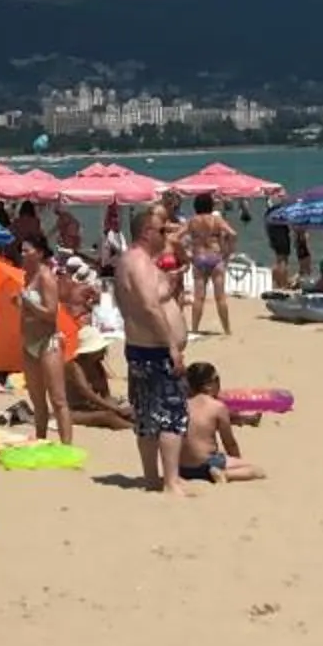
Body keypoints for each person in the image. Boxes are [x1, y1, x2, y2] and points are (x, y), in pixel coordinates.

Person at [114, 207, 189, 494]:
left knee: (146, 415)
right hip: (156, 350)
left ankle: (152, 478)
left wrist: (168, 285)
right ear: (146, 232)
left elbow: (139, 301)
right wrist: (172, 346)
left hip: (140, 347)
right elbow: (148, 305)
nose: (165, 234)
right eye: (161, 230)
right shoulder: (140, 262)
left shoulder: (131, 261)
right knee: (171, 415)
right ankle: (170, 481)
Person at [11, 228, 70, 445]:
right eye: (22, 251)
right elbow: (31, 309)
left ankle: (66, 445)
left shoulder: (46, 277)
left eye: (27, 250)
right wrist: (20, 305)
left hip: (48, 341)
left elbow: (51, 314)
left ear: (39, 253)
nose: (23, 254)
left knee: (58, 398)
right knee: (37, 400)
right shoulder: (27, 276)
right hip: (29, 342)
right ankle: (41, 440)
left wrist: (27, 303)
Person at [180, 361, 261, 482]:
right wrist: (237, 461)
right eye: (216, 379)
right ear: (208, 385)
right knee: (256, 470)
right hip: (206, 464)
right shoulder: (217, 407)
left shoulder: (181, 405)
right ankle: (226, 475)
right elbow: (230, 443)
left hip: (182, 469)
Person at [182, 193, 236, 337]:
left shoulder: (192, 221)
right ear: (211, 206)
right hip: (215, 257)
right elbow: (233, 234)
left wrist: (186, 254)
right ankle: (227, 330)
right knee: (220, 297)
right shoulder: (216, 220)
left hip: (199, 258)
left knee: (199, 297)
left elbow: (177, 237)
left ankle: (194, 329)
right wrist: (228, 253)